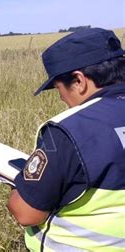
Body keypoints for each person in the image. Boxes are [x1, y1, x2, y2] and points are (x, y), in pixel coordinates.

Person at [7, 28, 125, 251]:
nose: (61, 98)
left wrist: (17, 186)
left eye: (59, 88)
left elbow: (26, 214)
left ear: (79, 81)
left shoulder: (66, 131)